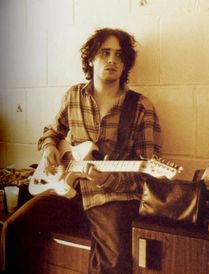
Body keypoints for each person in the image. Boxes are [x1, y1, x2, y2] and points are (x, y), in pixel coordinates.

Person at [1, 28, 161, 274]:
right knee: (14, 228)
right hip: (66, 188)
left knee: (114, 260)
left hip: (111, 196)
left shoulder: (141, 107)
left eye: (119, 55)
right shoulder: (74, 95)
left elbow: (146, 171)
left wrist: (107, 178)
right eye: (105, 53)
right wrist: (49, 148)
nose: (112, 60)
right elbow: (52, 132)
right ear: (91, 59)